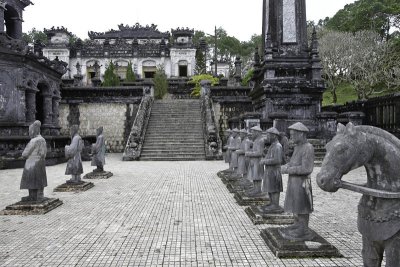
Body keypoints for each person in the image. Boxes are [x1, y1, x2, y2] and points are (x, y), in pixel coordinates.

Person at [279, 122, 315, 240]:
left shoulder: (308, 147)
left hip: (302, 183)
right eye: (291, 135)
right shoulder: (297, 147)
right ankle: (297, 224)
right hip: (294, 182)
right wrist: (286, 166)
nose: (291, 137)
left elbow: (307, 168)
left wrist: (289, 169)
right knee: (295, 204)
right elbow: (294, 162)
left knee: (302, 205)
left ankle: (303, 229)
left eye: (294, 135)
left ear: (301, 134)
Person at [20, 120, 47, 202]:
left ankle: (32, 196)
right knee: (39, 180)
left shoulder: (33, 141)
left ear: (33, 131)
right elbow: (45, 153)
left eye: (30, 131)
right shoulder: (43, 139)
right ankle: (39, 195)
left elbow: (25, 153)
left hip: (31, 164)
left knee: (30, 180)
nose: (29, 133)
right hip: (41, 162)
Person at [260, 127, 283, 213]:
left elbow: (277, 160)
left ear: (274, 136)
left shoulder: (277, 146)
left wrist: (265, 161)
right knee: (270, 187)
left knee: (274, 188)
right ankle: (271, 202)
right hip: (269, 170)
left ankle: (275, 204)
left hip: (274, 171)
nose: (267, 137)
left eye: (269, 135)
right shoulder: (272, 146)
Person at [245, 125, 265, 197]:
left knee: (258, 176)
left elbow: (259, 153)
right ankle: (255, 188)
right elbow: (254, 150)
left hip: (258, 161)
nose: (252, 134)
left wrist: (249, 153)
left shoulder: (261, 140)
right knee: (254, 175)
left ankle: (258, 189)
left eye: (253, 132)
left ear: (257, 132)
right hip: (254, 161)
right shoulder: (256, 140)